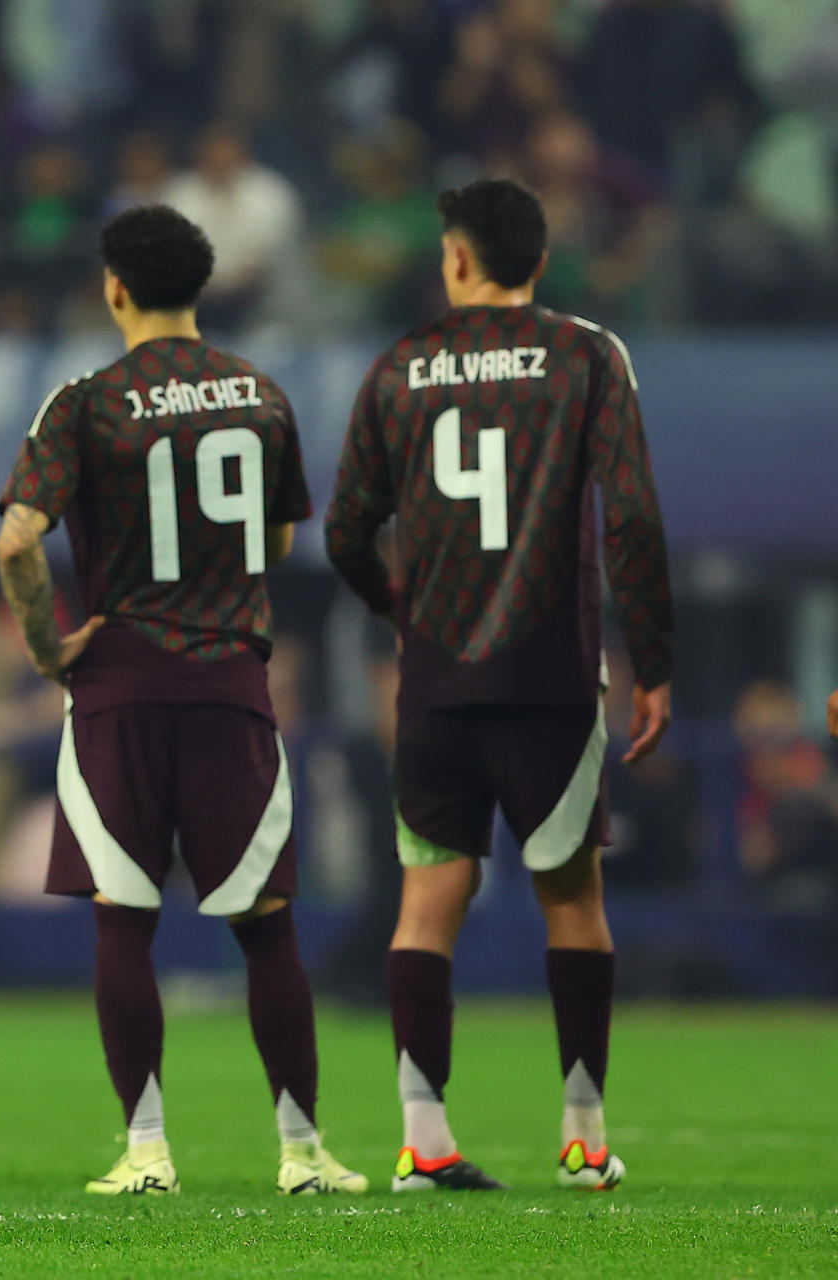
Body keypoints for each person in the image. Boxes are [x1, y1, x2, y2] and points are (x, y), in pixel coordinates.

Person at [0, 204, 366, 1200]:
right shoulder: (260, 393)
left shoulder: (83, 401)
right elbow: (280, 539)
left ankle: (147, 1149)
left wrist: (49, 647)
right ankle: (303, 1150)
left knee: (124, 920)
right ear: (201, 287)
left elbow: (18, 538)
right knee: (267, 923)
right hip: (228, 680)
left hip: (118, 684)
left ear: (114, 287)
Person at [324, 178, 674, 1193]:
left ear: (458, 258)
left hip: (435, 681)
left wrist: (399, 611)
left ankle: (423, 1140)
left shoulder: (400, 367)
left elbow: (345, 529)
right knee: (573, 898)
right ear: (540, 258)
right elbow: (631, 516)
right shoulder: (586, 355)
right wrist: (653, 661)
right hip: (550, 676)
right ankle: (584, 1138)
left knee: (427, 902)